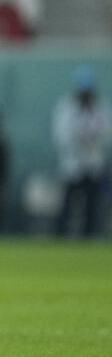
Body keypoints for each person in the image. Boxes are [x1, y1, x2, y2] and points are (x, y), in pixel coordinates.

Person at [52, 66, 112, 237]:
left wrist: (90, 138)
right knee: (67, 205)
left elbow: (107, 133)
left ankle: (88, 237)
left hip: (93, 164)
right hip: (73, 165)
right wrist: (81, 138)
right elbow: (60, 135)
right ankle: (60, 237)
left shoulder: (102, 108)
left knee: (91, 207)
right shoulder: (66, 108)